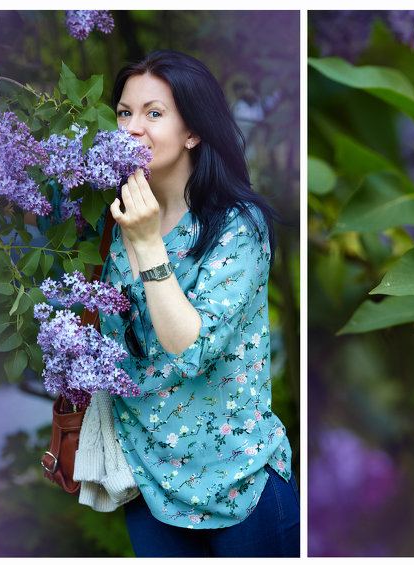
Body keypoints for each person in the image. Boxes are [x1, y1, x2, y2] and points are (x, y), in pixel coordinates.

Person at [99, 49, 298, 557]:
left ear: (193, 131)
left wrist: (146, 245)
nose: (132, 128)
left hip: (240, 486)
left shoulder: (237, 225)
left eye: (154, 113)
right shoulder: (113, 218)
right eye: (125, 112)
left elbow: (189, 348)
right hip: (149, 485)